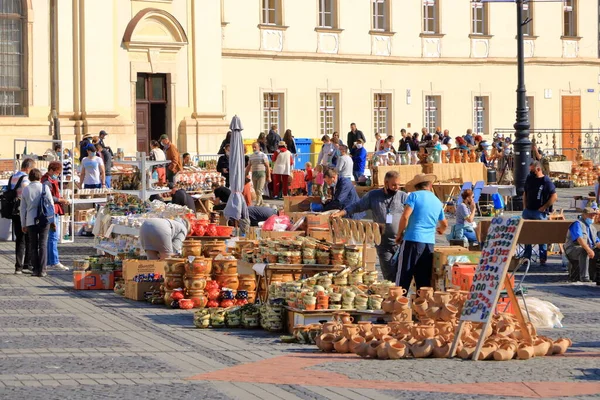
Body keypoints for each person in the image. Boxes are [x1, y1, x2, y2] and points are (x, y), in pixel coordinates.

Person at [333, 171, 408, 281]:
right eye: (393, 185)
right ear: (385, 183)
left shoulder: (403, 196)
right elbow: (357, 206)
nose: (396, 187)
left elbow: (412, 213)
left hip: (401, 243)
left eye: (398, 185)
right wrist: (341, 213)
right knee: (389, 276)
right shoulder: (374, 196)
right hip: (383, 243)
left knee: (401, 274)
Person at [395, 174, 448, 292]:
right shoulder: (437, 200)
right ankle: (422, 307)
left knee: (403, 276)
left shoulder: (414, 196)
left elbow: (405, 216)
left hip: (412, 239)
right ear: (430, 185)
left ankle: (398, 304)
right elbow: (444, 224)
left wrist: (399, 234)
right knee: (423, 281)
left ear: (416, 186)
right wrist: (441, 230)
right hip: (429, 243)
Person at [20, 168, 55, 277]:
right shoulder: (44, 187)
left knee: (33, 245)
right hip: (44, 219)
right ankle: (43, 269)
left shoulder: (26, 189)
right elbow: (51, 204)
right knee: (43, 244)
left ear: (30, 178)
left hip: (31, 220)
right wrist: (52, 220)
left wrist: (23, 224)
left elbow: (22, 209)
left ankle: (35, 269)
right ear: (40, 177)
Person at [522, 160, 558, 266]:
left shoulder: (546, 181)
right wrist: (524, 206)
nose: (530, 172)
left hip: (539, 212)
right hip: (528, 211)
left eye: (532, 170)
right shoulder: (529, 178)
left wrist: (544, 207)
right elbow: (525, 193)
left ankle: (542, 257)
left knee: (542, 235)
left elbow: (554, 196)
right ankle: (526, 256)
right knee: (526, 234)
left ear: (538, 169)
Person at [7, 158, 35, 274]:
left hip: (13, 210)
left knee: (19, 238)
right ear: (28, 168)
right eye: (33, 168)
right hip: (23, 210)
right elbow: (26, 193)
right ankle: (26, 265)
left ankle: (18, 266)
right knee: (27, 238)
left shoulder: (13, 176)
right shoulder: (25, 178)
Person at [41, 162, 69, 271]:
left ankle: (49, 260)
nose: (57, 175)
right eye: (57, 173)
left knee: (52, 237)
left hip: (53, 210)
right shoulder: (47, 181)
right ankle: (54, 261)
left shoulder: (50, 180)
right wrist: (60, 200)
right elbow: (49, 197)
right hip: (51, 211)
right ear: (51, 170)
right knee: (53, 236)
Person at [564, 207, 600, 284]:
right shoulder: (577, 224)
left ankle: (595, 276)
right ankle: (584, 277)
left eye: (594, 215)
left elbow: (597, 242)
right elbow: (579, 239)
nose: (592, 217)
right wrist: (589, 249)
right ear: (584, 215)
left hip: (588, 248)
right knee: (584, 251)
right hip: (573, 249)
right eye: (590, 215)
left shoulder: (592, 227)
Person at [246, 141, 271, 206]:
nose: (254, 149)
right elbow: (249, 166)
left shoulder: (263, 155)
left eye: (255, 147)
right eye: (253, 147)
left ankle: (257, 203)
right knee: (256, 190)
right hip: (254, 174)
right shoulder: (251, 156)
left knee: (259, 190)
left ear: (259, 147)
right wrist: (245, 174)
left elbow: (267, 166)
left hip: (261, 174)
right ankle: (261, 203)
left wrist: (269, 176)